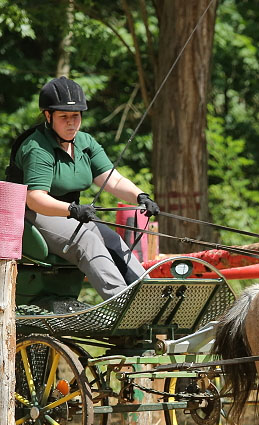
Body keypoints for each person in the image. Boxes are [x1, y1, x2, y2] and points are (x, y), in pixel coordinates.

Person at [12, 76, 160, 301]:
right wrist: (72, 210)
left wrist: (140, 196)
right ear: (48, 116)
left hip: (70, 213)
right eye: (64, 117)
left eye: (76, 116)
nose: (71, 123)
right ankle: (120, 305)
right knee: (87, 239)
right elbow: (35, 199)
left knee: (112, 240)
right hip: (33, 215)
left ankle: (149, 299)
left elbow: (114, 180)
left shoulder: (85, 142)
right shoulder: (37, 147)